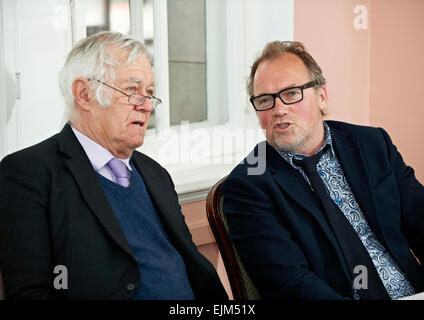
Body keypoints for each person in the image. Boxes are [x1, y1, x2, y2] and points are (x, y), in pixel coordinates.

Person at [0, 31, 228, 300]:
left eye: (150, 93)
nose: (146, 106)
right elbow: (30, 292)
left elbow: (190, 268)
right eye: (132, 90)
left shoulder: (155, 174)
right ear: (84, 94)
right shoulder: (28, 173)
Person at [222, 40, 424, 300]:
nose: (279, 109)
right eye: (264, 100)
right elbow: (290, 285)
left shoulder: (372, 144)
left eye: (292, 93)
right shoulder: (248, 185)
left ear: (322, 96)